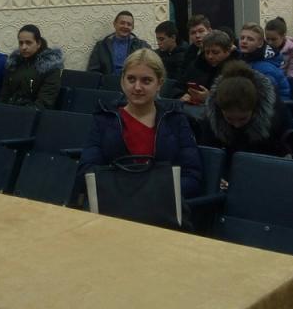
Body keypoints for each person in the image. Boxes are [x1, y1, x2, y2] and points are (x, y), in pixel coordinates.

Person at [80, 49, 202, 198]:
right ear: (122, 81)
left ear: (159, 83)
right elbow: (88, 170)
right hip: (115, 201)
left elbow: (192, 176)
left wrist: (152, 192)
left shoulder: (175, 120)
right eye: (131, 79)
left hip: (161, 202)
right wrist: (127, 191)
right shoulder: (104, 119)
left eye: (146, 81)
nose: (137, 87)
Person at [200, 60, 292, 158]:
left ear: (255, 108)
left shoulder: (277, 115)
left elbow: (285, 152)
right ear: (219, 109)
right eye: (229, 119)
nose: (236, 125)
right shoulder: (211, 118)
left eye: (243, 119)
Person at [0, 24, 63, 109]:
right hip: (10, 110)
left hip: (35, 113)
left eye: (28, 43)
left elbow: (44, 102)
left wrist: (21, 114)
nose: (24, 47)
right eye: (21, 43)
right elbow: (4, 95)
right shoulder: (13, 64)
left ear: (38, 43)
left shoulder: (50, 66)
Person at [180, 30, 238, 105]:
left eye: (215, 52)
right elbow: (181, 85)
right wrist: (184, 95)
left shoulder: (236, 71)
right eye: (207, 52)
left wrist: (209, 98)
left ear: (227, 52)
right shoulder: (197, 65)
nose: (210, 56)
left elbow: (236, 101)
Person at [235, 23, 291, 98]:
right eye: (242, 38)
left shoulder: (266, 68)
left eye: (250, 39)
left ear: (260, 44)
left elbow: (267, 97)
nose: (244, 41)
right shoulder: (240, 59)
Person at [87, 10, 149, 76]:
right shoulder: (101, 46)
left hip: (132, 81)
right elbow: (92, 71)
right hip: (108, 81)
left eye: (129, 24)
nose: (125, 26)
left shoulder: (142, 46)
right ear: (114, 24)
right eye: (122, 23)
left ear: (132, 27)